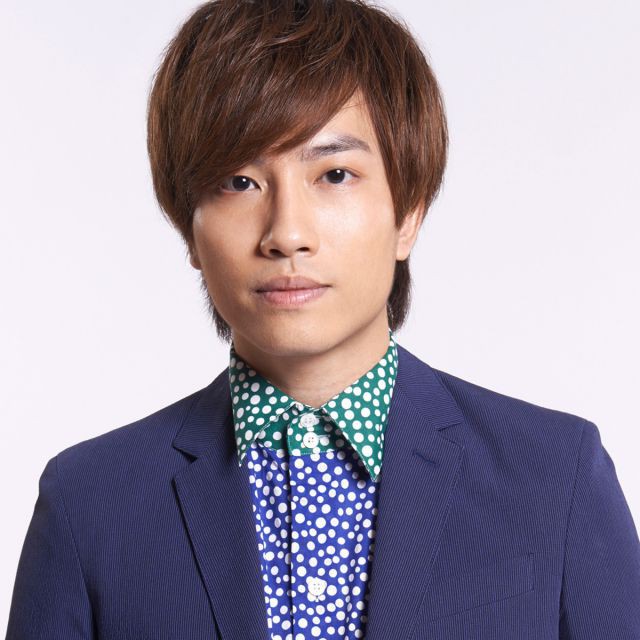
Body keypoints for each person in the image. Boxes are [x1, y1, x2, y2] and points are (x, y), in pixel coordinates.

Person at [6, 0, 640, 638]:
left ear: (409, 213)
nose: (287, 234)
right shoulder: (89, 503)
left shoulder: (555, 477)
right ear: (188, 229)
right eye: (238, 182)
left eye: (335, 174)